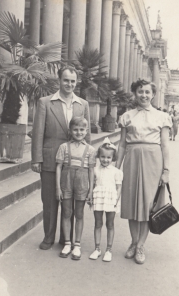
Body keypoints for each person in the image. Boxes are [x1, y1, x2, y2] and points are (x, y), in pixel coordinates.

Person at [31, 65, 91, 250]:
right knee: (49, 201)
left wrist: (87, 159)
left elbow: (86, 136)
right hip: (50, 159)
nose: (69, 84)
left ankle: (66, 239)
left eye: (73, 81)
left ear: (76, 82)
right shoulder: (45, 102)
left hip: (74, 161)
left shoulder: (83, 104)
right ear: (59, 80)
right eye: (66, 80)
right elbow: (38, 132)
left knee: (70, 201)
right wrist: (36, 158)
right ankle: (48, 237)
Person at [116, 79, 172, 264]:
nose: (144, 95)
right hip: (132, 159)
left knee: (148, 205)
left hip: (153, 162)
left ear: (153, 94)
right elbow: (122, 144)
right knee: (132, 203)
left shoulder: (161, 117)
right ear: (135, 93)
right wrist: (116, 168)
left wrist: (166, 171)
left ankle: (141, 245)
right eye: (140, 91)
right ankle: (133, 242)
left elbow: (165, 145)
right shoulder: (127, 116)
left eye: (147, 92)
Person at [55, 117, 96, 260]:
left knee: (79, 214)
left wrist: (90, 190)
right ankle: (67, 243)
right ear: (70, 131)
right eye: (75, 130)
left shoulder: (90, 149)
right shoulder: (64, 147)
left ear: (86, 131)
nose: (78, 132)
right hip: (66, 181)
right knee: (66, 212)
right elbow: (59, 167)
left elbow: (91, 171)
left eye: (82, 130)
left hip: (83, 182)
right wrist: (58, 188)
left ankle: (77, 244)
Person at [89, 138, 123, 262]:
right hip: (98, 197)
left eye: (108, 158)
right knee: (98, 223)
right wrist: (91, 196)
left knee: (110, 224)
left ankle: (108, 250)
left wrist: (116, 200)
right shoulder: (95, 170)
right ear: (99, 156)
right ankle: (97, 248)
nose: (105, 160)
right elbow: (93, 185)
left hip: (111, 199)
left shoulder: (116, 172)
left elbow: (119, 187)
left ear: (113, 158)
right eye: (103, 157)